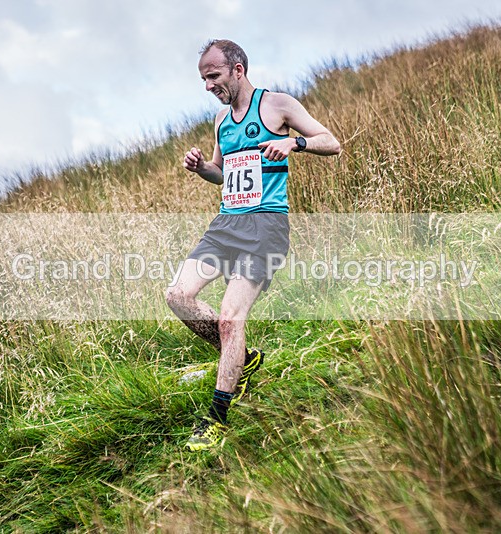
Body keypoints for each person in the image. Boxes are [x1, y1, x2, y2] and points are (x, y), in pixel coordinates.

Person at [166, 39, 341, 451]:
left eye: (214, 76)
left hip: (265, 227)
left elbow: (331, 142)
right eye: (204, 79)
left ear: (238, 70)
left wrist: (293, 143)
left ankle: (217, 419)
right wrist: (201, 168)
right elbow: (223, 173)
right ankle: (242, 357)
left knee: (231, 318)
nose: (209, 85)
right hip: (226, 225)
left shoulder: (278, 105)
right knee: (177, 295)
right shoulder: (221, 122)